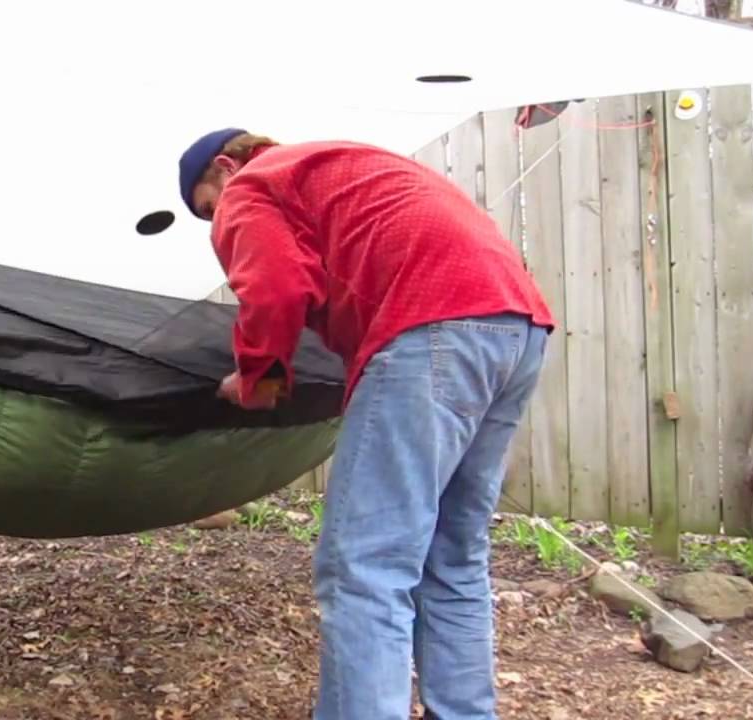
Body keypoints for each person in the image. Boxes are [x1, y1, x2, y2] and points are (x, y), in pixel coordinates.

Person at [177, 128, 554, 720]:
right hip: (518, 327)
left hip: (431, 328)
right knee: (451, 555)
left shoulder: (252, 185)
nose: (214, 223)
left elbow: (276, 289)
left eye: (207, 207)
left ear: (225, 167)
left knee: (366, 564)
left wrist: (258, 380)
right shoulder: (342, 165)